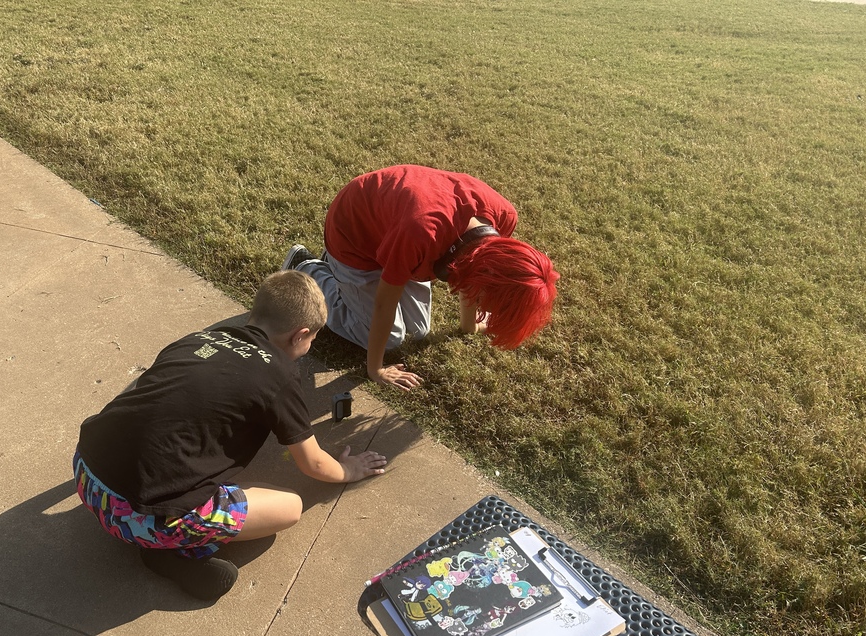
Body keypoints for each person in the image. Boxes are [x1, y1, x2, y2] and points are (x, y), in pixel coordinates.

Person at [73, 271, 388, 601]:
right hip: (134, 517)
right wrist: (350, 470)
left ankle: (162, 535)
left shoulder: (199, 339)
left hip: (86, 474)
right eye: (311, 341)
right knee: (288, 506)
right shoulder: (278, 372)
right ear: (301, 335)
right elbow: (313, 464)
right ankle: (174, 552)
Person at [283, 165, 560, 391]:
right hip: (354, 236)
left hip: (400, 238)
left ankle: (343, 274)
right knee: (388, 339)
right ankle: (310, 267)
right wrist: (376, 369)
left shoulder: (502, 219)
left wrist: (469, 325)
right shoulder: (421, 233)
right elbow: (384, 304)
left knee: (418, 332)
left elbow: (476, 267)